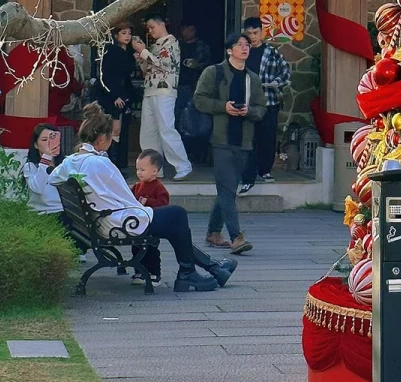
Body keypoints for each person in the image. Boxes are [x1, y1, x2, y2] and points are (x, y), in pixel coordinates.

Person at [50, 105, 234, 291]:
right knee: (176, 215)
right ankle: (191, 272)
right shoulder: (100, 163)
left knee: (171, 221)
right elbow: (128, 199)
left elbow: (53, 177)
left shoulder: (70, 161)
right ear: (103, 138)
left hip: (99, 221)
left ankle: (212, 268)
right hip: (116, 224)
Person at [194, 31, 266, 255]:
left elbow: (262, 108)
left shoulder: (252, 78)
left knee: (227, 188)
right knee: (227, 189)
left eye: (247, 45)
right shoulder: (213, 72)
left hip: (243, 141)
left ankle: (213, 232)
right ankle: (236, 237)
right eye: (239, 44)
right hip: (220, 139)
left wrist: (248, 111)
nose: (245, 48)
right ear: (229, 50)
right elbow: (199, 99)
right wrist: (222, 107)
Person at [239, 15, 291, 193]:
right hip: (248, 103)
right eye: (249, 33)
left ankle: (265, 171)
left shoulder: (272, 52)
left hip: (269, 101)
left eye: (255, 33)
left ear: (262, 32)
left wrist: (276, 82)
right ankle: (247, 175)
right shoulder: (241, 52)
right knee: (248, 139)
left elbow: (286, 70)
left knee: (267, 138)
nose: (253, 37)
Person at [139, 13, 192, 179]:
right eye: (148, 28)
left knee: (166, 128)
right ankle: (153, 168)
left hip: (165, 90)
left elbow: (164, 64)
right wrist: (142, 56)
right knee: (148, 132)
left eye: (152, 27)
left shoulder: (172, 42)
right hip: (149, 90)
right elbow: (146, 69)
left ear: (161, 25)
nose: (150, 31)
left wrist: (143, 51)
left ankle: (183, 165)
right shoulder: (155, 45)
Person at [93, 24, 142, 168]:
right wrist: (114, 95)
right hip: (111, 97)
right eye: (123, 33)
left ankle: (121, 164)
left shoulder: (128, 54)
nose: (127, 36)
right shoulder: (110, 51)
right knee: (113, 130)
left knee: (122, 131)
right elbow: (105, 76)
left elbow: (127, 77)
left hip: (124, 96)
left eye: (129, 33)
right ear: (116, 35)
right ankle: (111, 163)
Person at [177, 22, 213, 165]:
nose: (188, 32)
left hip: (196, 88)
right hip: (178, 87)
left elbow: (209, 65)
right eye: (186, 28)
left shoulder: (202, 46)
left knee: (197, 123)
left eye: (191, 29)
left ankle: (198, 155)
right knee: (178, 121)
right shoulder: (176, 46)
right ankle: (183, 154)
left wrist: (196, 65)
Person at [23, 123, 65, 215]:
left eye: (53, 139)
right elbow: (37, 188)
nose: (49, 143)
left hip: (65, 211)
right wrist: (46, 159)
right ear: (36, 145)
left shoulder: (65, 164)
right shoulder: (30, 167)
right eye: (44, 140)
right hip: (43, 212)